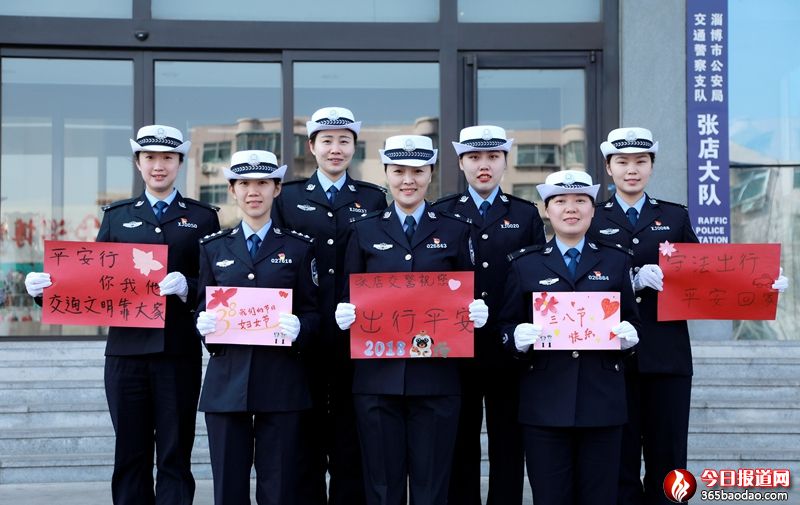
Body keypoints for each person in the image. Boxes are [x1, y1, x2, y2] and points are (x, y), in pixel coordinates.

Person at [587, 127, 790, 505]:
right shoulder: (593, 218)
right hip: (611, 357)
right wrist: (631, 280)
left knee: (668, 456)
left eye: (641, 162)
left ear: (651, 167)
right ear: (609, 168)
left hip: (668, 355)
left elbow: (706, 274)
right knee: (619, 459)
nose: (632, 169)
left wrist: (761, 283)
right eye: (622, 162)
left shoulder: (674, 216)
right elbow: (580, 281)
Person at [25, 124, 221, 505]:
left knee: (175, 455)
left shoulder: (202, 218)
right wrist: (45, 291)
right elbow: (92, 282)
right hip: (126, 355)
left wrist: (188, 287)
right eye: (150, 158)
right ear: (138, 162)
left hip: (178, 354)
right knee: (130, 455)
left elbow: (215, 286)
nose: (158, 166)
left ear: (180, 162)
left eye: (167, 158)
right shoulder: (117, 216)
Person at [334, 134, 489, 505]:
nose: (408, 180)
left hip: (436, 379)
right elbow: (347, 292)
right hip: (377, 379)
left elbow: (468, 289)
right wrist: (344, 312)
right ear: (386, 173)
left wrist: (476, 311)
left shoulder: (455, 229)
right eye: (399, 171)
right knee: (382, 487)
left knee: (432, 487)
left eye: (417, 171)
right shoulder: (364, 229)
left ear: (430, 173)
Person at [498, 169, 641, 505]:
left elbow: (633, 322)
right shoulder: (525, 264)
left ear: (593, 209)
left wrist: (630, 340)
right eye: (560, 201)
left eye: (580, 201)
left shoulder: (616, 260)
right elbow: (505, 325)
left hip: (602, 403)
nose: (571, 208)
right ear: (547, 210)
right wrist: (515, 338)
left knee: (600, 497)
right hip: (544, 404)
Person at [272, 106, 387, 505]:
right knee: (304, 436)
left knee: (350, 438)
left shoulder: (372, 198)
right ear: (311, 146)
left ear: (354, 146)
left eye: (344, 141)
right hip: (303, 334)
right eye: (327, 141)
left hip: (356, 336)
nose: (335, 149)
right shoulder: (288, 197)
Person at [194, 149, 320, 505]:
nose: (254, 191)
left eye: (263, 183)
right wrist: (201, 324)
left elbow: (314, 312)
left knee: (279, 488)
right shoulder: (213, 248)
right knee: (228, 487)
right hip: (227, 381)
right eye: (244, 183)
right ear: (232, 190)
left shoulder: (298, 248)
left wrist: (301, 328)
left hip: (281, 382)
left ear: (277, 189)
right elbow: (203, 307)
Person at [432, 124, 545, 505]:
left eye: (493, 157)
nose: (484, 165)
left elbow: (538, 276)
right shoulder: (442, 211)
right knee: (458, 441)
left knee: (508, 443)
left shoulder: (525, 214)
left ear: (505, 162)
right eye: (475, 157)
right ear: (461, 163)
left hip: (508, 348)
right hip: (454, 349)